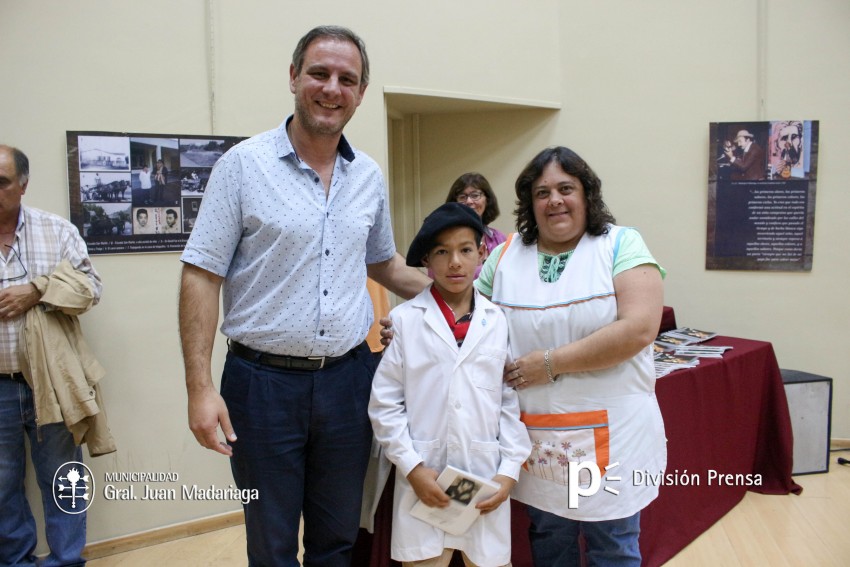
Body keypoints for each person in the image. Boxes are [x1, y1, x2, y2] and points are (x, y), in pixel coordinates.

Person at [178, 25, 430, 566]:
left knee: (337, 539)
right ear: (294, 77)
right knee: (270, 545)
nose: (332, 88)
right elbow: (201, 274)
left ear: (361, 94)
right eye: (319, 73)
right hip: (260, 388)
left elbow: (383, 263)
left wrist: (460, 294)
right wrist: (199, 388)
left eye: (347, 79)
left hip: (348, 381)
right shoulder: (242, 166)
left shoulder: (368, 176)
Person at [475, 146, 667, 566]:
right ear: (530, 202)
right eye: (542, 192)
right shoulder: (505, 255)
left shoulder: (620, 244)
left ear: (587, 195)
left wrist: (549, 364)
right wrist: (412, 323)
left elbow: (638, 328)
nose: (555, 200)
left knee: (612, 545)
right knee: (549, 539)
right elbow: (467, 320)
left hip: (615, 434)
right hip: (539, 435)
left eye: (566, 188)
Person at [369, 202, 530, 567]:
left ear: (482, 253)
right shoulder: (405, 320)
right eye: (442, 252)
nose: (454, 262)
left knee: (486, 558)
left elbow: (508, 402)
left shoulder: (498, 321)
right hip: (425, 479)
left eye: (465, 250)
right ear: (427, 259)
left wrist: (507, 472)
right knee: (425, 559)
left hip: (483, 475)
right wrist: (412, 466)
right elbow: (384, 404)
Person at [0, 144, 107, 566]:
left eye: (2, 182)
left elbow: (90, 289)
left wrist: (38, 289)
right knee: (3, 486)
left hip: (53, 381)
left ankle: (66, 561)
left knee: (65, 481)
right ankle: (15, 561)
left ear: (22, 185)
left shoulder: (55, 230)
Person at [445, 173, 506, 276]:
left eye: (475, 195)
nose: (469, 201)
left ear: (487, 200)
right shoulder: (445, 238)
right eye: (462, 197)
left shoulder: (499, 238)